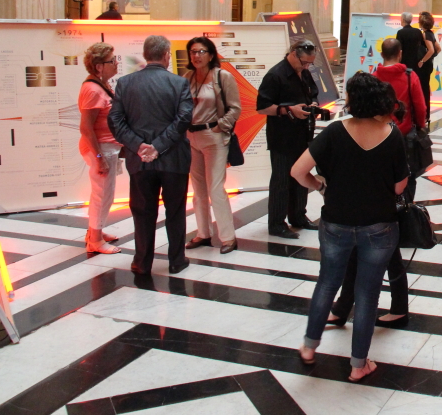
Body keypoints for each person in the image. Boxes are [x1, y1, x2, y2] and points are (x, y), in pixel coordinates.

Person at [292, 72, 406, 382]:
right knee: (367, 294)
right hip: (379, 225)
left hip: (336, 222)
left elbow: (297, 171)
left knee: (327, 283)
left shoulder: (333, 132)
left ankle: (308, 347)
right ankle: (358, 364)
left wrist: (319, 186)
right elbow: (398, 187)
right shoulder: (391, 134)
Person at [328, 38, 425, 330]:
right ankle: (380, 307)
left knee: (377, 251)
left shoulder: (377, 90)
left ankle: (354, 308)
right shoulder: (406, 82)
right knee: (379, 250)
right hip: (382, 196)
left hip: (379, 202)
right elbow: (419, 109)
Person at [108, 35, 193, 275]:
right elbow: (183, 119)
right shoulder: (179, 83)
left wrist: (139, 146)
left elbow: (115, 120)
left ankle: (142, 262)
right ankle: (176, 260)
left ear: (146, 55)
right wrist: (158, 146)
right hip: (173, 159)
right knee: (175, 210)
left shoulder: (125, 83)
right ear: (167, 55)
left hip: (140, 161)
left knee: (143, 211)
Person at [182, 37, 242, 255]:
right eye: (193, 52)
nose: (196, 56)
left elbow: (235, 108)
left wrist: (220, 127)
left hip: (214, 137)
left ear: (210, 54)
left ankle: (228, 237)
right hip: (192, 136)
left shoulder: (222, 76)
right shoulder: (187, 77)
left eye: (201, 51)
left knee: (216, 188)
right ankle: (203, 233)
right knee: (198, 190)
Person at [256, 39, 320, 239]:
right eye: (304, 62)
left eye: (310, 63)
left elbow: (313, 95)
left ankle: (298, 216)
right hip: (282, 137)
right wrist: (287, 110)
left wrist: (314, 106)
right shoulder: (276, 75)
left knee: (301, 176)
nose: (306, 66)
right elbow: (261, 107)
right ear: (293, 53)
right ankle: (276, 223)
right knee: (282, 180)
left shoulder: (305, 74)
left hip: (302, 134)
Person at [78, 42, 122, 255]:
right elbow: (86, 128)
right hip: (100, 149)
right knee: (102, 194)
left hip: (106, 148)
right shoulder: (93, 90)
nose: (116, 64)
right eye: (112, 61)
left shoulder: (101, 86)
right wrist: (98, 157)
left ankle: (96, 231)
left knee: (105, 194)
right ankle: (94, 239)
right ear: (98, 66)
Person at [416, 11, 438, 116]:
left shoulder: (425, 34)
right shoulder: (431, 33)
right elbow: (438, 48)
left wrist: (422, 60)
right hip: (429, 65)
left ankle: (425, 113)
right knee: (425, 88)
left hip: (424, 67)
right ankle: (426, 113)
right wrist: (430, 59)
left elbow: (431, 50)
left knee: (423, 89)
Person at [396, 12, 424, 76]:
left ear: (403, 20)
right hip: (416, 62)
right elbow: (422, 46)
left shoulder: (400, 32)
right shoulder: (418, 31)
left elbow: (399, 49)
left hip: (404, 62)